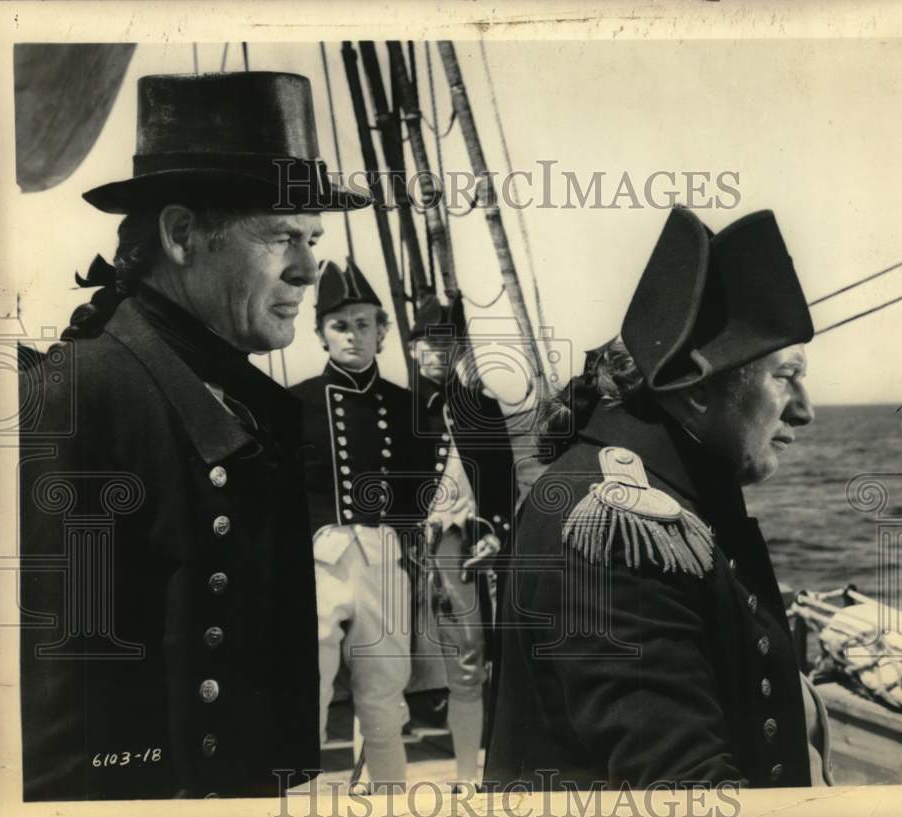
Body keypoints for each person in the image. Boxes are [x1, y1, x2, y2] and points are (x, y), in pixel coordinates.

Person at [17, 71, 368, 801]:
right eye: (281, 236)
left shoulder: (231, 394)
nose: (309, 269)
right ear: (181, 235)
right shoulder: (77, 397)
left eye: (312, 239)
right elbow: (55, 716)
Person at [484, 206, 833, 791]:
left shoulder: (648, 496)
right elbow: (682, 787)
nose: (805, 409)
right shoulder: (624, 527)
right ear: (696, 394)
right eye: (784, 376)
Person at [290, 259, 420, 790]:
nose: (352, 334)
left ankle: (390, 797)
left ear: (382, 331)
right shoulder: (291, 404)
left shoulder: (406, 407)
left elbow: (417, 492)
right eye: (340, 325)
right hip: (316, 563)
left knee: (385, 701)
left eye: (364, 323)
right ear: (321, 334)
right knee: (307, 696)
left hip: (383, 560)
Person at [407, 298, 518, 791]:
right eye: (427, 342)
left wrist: (494, 532)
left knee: (471, 654)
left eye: (445, 342)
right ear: (412, 349)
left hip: (459, 544)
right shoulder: (393, 404)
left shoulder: (482, 407)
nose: (436, 351)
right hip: (401, 547)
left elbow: (502, 477)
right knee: (377, 657)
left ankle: (469, 774)